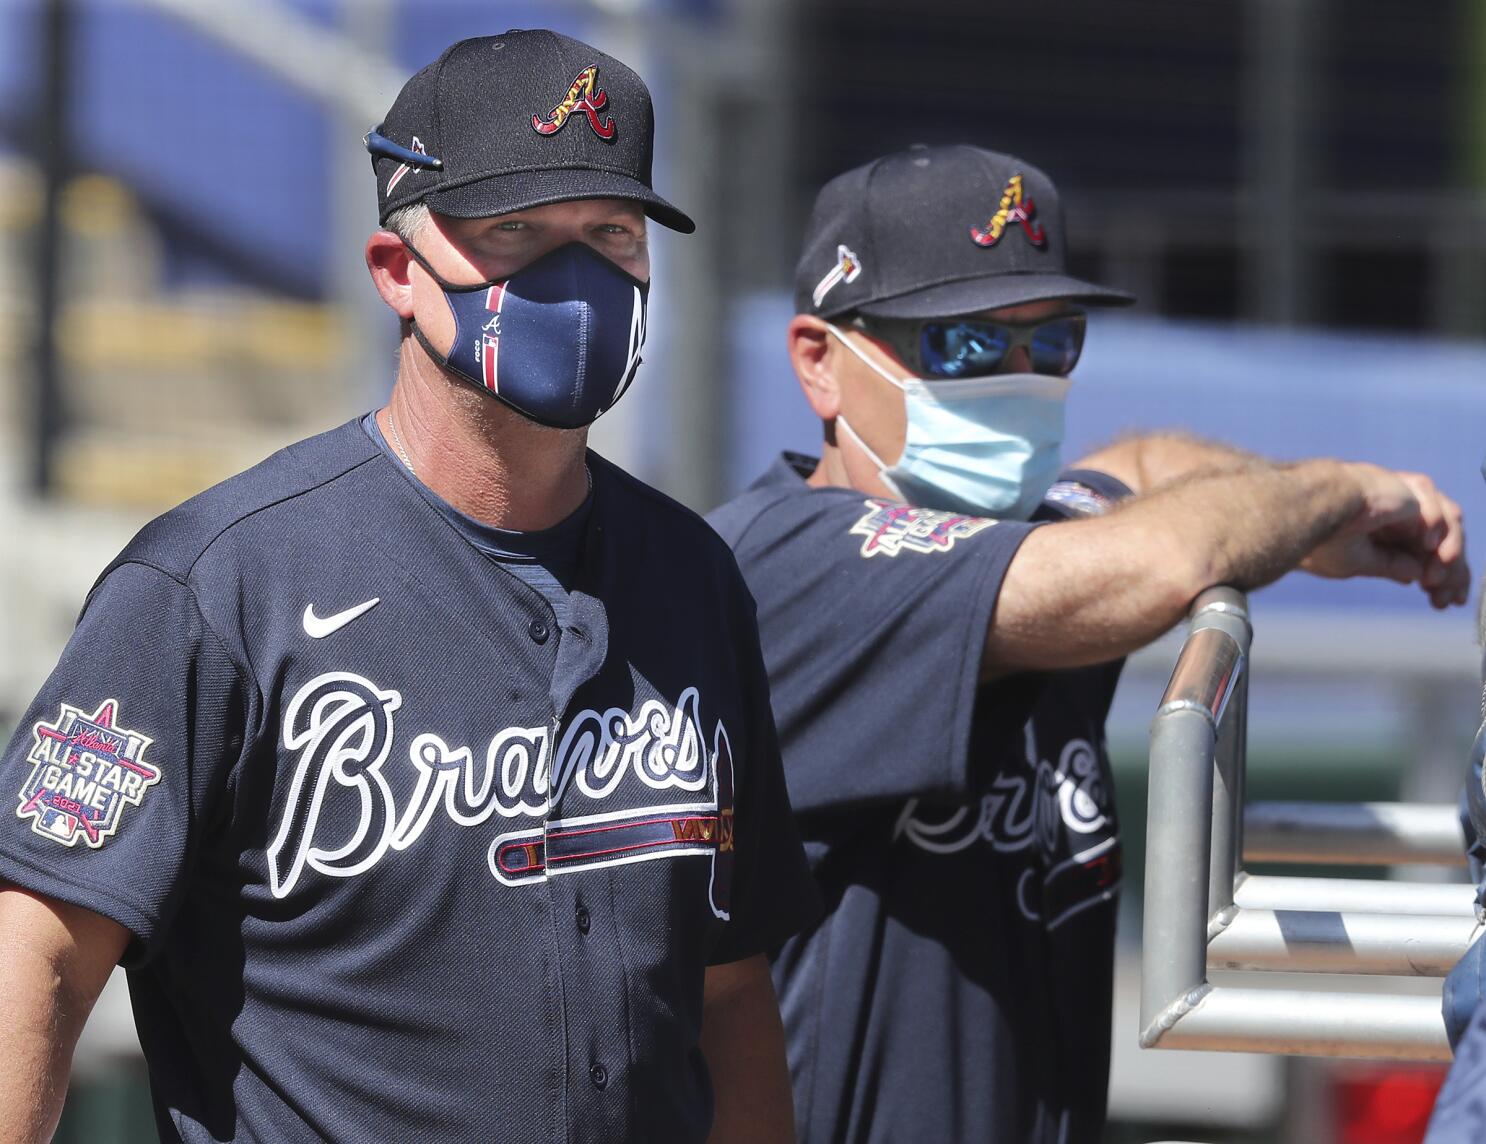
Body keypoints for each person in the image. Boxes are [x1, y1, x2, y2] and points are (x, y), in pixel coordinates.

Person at [0, 30, 816, 1143]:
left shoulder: (690, 573)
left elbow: (726, 987)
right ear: (398, 271)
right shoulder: (218, 579)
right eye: (516, 232)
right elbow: (36, 955)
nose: (572, 278)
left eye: (611, 234)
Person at [706, 143, 1471, 1144]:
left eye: (1051, 341)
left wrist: (1311, 532)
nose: (1019, 382)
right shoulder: (782, 564)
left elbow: (1145, 464)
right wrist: (1338, 490)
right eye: (967, 348)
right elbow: (1159, 558)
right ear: (819, 362)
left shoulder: (1031, 539)